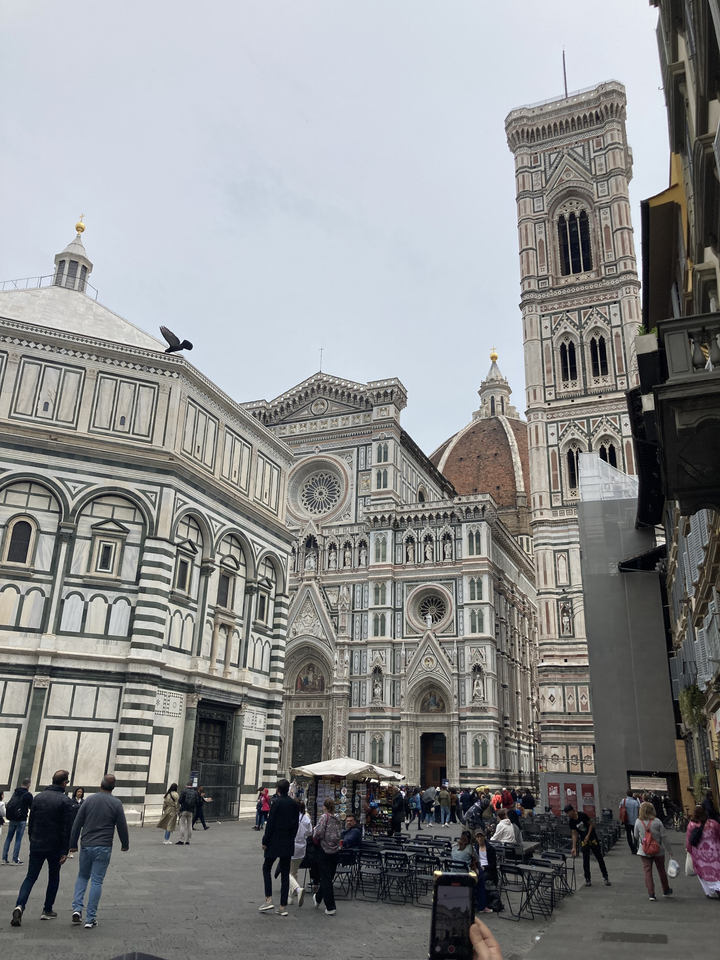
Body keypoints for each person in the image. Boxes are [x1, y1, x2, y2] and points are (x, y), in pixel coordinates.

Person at [10, 770, 74, 927]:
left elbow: (31, 822)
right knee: (53, 877)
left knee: (30, 877)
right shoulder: (65, 800)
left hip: (37, 844)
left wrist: (32, 839)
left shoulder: (38, 797)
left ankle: (19, 905)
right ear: (64, 783)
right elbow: (67, 828)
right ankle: (47, 910)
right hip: (55, 846)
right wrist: (65, 850)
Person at [69, 773, 129, 928]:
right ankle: (90, 918)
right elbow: (122, 825)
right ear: (113, 787)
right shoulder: (116, 803)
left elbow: (77, 823)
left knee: (82, 876)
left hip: (87, 844)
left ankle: (76, 909)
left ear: (100, 784)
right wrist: (125, 843)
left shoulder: (89, 800)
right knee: (97, 881)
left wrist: (73, 843)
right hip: (104, 846)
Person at [259, 778, 300, 916]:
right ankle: (283, 906)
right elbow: (296, 825)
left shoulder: (276, 803)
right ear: (288, 789)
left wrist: (265, 841)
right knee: (285, 873)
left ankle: (269, 899)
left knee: (266, 867)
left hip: (275, 842)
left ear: (277, 789)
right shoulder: (294, 804)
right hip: (288, 843)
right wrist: (291, 838)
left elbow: (270, 824)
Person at [634, 800, 673, 901]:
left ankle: (651, 894)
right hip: (658, 850)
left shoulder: (638, 822)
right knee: (661, 870)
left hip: (644, 850)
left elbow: (635, 835)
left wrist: (642, 840)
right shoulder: (657, 822)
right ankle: (666, 890)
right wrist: (669, 850)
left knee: (647, 871)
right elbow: (664, 837)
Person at [565, 803, 611, 887]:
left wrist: (588, 835)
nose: (567, 815)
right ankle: (587, 879)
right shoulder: (571, 822)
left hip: (592, 838)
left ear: (572, 811)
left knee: (599, 858)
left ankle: (605, 876)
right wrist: (574, 847)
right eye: (566, 813)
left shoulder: (582, 815)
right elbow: (574, 834)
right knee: (585, 860)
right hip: (584, 840)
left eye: (568, 813)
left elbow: (591, 824)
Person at [312, 797, 342, 916]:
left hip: (324, 850)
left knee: (325, 878)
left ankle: (330, 906)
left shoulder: (325, 817)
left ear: (324, 807)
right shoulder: (338, 818)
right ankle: (318, 897)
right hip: (335, 851)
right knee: (328, 877)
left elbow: (318, 833)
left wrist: (315, 830)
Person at [686, 803, 720, 898]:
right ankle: (717, 887)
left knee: (702, 872)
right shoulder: (713, 823)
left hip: (699, 852)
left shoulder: (691, 824)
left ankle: (709, 892)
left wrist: (688, 849)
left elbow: (689, 840)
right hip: (714, 851)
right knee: (717, 871)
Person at [2, 777, 33, 865]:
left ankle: (4, 858)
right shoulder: (28, 795)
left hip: (12, 818)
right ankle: (15, 859)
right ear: (28, 785)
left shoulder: (15, 793)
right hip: (21, 819)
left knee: (8, 838)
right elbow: (32, 807)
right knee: (18, 839)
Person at [288, 800, 312, 907]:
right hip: (301, 847)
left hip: (290, 845)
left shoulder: (291, 817)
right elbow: (309, 832)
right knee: (294, 872)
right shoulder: (306, 818)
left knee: (287, 872)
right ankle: (290, 897)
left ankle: (297, 890)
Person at [474, 829, 498, 915]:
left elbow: (493, 865)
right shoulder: (475, 848)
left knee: (481, 879)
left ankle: (482, 904)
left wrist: (484, 867)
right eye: (478, 837)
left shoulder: (491, 849)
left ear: (484, 837)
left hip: (488, 870)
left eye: (481, 836)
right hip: (478, 868)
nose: (479, 839)